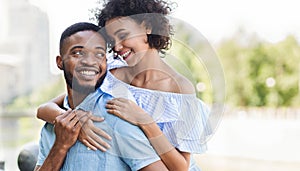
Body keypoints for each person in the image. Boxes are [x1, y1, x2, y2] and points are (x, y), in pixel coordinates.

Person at [37, 0, 211, 170]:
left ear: (147, 27)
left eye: (123, 35)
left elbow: (181, 167)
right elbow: (46, 108)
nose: (118, 47)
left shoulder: (179, 89)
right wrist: (78, 123)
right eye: (111, 41)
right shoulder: (110, 72)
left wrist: (145, 121)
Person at [34, 22, 168, 171]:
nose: (89, 62)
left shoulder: (116, 117)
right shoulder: (52, 125)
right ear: (60, 62)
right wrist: (60, 146)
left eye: (99, 54)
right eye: (77, 53)